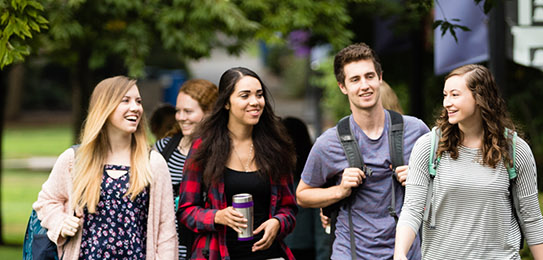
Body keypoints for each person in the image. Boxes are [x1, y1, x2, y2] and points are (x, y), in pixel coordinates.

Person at [394, 64, 543, 260]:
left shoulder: (514, 150)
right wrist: (399, 253)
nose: (447, 103)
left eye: (455, 95)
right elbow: (412, 209)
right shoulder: (429, 147)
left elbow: (531, 218)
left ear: (480, 97)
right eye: (445, 95)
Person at [295, 42, 430, 260]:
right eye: (355, 80)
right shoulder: (328, 142)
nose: (364, 85)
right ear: (343, 87)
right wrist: (338, 191)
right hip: (350, 253)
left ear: (380, 77)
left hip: (407, 253)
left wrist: (420, 179)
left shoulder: (416, 130)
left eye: (369, 76)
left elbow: (445, 184)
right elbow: (302, 195)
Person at [33, 76, 178, 259]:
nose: (135, 107)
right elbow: (46, 201)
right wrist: (61, 223)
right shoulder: (75, 159)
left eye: (138, 101)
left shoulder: (153, 163)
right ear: (105, 107)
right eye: (125, 100)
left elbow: (166, 232)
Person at [179, 67, 300, 260]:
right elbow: (186, 210)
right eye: (245, 96)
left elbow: (289, 208)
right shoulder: (204, 148)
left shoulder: (275, 146)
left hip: (269, 255)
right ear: (226, 102)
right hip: (218, 254)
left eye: (259, 95)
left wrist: (277, 223)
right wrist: (217, 217)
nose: (255, 102)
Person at [154, 78, 220, 259]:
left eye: (188, 111)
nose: (181, 117)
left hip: (203, 250)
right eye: (178, 111)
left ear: (210, 113)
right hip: (165, 250)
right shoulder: (163, 149)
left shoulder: (220, 154)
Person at [278, 117, 324, 260]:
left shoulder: (310, 178)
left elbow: (319, 225)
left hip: (300, 249)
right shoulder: (277, 176)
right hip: (295, 247)